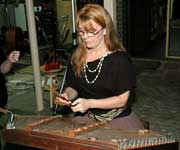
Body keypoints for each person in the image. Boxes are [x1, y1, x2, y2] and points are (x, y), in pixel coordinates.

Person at [56, 4, 144, 130]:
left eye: (91, 32)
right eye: (81, 32)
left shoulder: (120, 60)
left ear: (105, 30)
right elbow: (73, 86)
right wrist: (67, 95)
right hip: (88, 116)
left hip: (117, 118)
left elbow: (122, 100)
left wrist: (89, 103)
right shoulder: (77, 55)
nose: (85, 37)